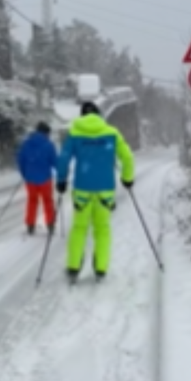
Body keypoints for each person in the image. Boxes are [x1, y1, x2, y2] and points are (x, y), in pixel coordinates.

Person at [55, 101, 135, 281]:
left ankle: (74, 267)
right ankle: (100, 268)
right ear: (99, 115)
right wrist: (127, 178)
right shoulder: (112, 133)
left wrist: (61, 180)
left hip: (82, 189)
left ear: (82, 116)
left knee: (79, 228)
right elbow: (128, 157)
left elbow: (63, 159)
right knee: (102, 229)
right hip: (105, 190)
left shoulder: (75, 134)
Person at [16, 121, 57, 235]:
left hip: (30, 179)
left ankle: (30, 224)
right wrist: (62, 173)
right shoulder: (49, 145)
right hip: (45, 179)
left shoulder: (26, 143)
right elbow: (54, 162)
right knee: (48, 201)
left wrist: (25, 174)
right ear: (46, 132)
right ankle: (50, 224)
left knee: (32, 201)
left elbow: (20, 160)